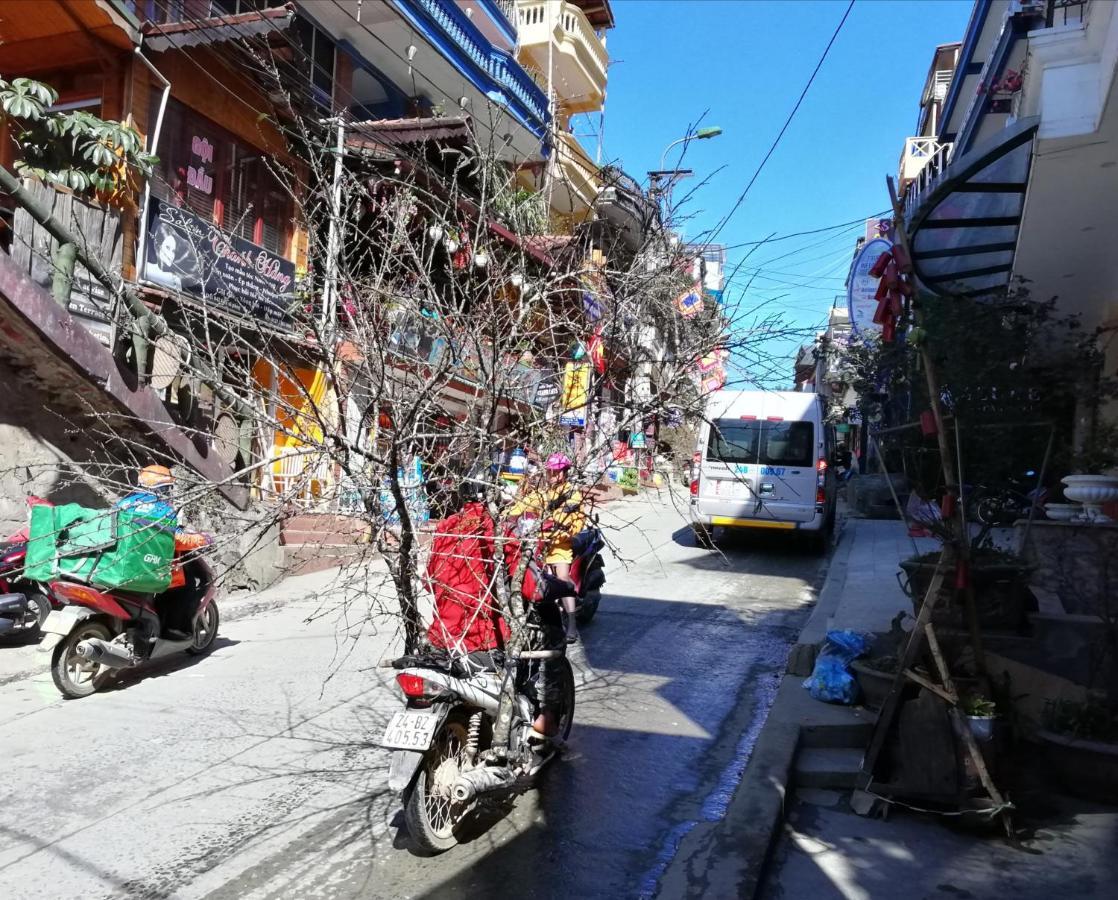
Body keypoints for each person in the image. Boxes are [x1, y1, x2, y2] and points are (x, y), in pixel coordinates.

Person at [117, 465, 208, 641]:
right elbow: (177, 540)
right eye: (166, 488)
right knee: (185, 585)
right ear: (161, 489)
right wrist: (203, 539)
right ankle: (174, 629)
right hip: (147, 565)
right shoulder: (162, 510)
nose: (168, 492)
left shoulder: (123, 503)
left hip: (121, 561)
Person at [506, 452, 586, 645]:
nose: (554, 476)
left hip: (560, 545)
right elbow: (522, 506)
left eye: (558, 472)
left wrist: (562, 526)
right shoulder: (543, 493)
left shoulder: (572, 494)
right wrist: (506, 517)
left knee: (563, 579)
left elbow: (576, 521)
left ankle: (572, 623)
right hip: (538, 544)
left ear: (565, 472)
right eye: (551, 472)